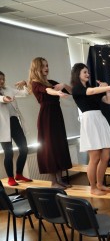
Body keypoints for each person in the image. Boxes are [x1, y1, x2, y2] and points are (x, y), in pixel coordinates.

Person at [70, 63, 110, 195]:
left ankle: (100, 184)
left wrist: (106, 88)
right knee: (95, 157)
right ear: (77, 74)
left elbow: (109, 101)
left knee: (106, 155)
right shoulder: (77, 89)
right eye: (84, 72)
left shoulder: (91, 88)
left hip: (99, 119)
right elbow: (90, 92)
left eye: (88, 72)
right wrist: (107, 87)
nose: (87, 74)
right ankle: (93, 188)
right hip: (89, 121)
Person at [28, 57, 73, 189]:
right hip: (46, 118)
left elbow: (72, 91)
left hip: (56, 116)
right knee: (50, 148)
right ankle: (53, 182)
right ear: (36, 68)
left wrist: (64, 85)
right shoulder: (35, 83)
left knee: (58, 146)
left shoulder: (51, 82)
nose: (46, 68)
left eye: (47, 65)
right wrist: (57, 92)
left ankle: (59, 179)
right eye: (43, 66)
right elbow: (47, 90)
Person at [0, 71, 33, 186]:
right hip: (2, 126)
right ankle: (10, 178)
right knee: (8, 153)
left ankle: (19, 174)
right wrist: (5, 99)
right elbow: (1, 99)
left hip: (14, 122)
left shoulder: (8, 89)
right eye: (0, 79)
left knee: (24, 148)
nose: (2, 81)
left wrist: (25, 83)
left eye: (3, 79)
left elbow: (25, 93)